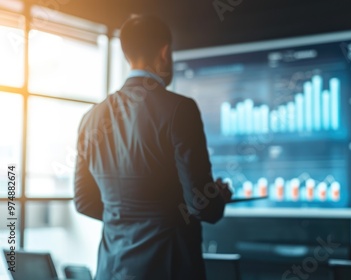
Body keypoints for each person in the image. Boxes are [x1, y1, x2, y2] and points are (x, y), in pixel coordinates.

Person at [73, 14, 232, 280]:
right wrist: (219, 197)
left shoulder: (91, 118)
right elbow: (201, 205)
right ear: (164, 52)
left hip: (111, 270)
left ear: (127, 54)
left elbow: (84, 201)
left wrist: (130, 220)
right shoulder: (181, 110)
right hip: (168, 267)